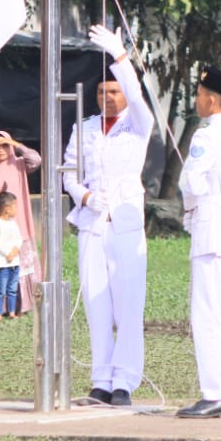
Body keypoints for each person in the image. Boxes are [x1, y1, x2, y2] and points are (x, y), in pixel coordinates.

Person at [63, 24, 152, 407]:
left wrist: (120, 58)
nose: (108, 98)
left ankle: (125, 381)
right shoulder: (84, 128)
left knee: (128, 305)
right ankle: (101, 377)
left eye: (113, 92)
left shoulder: (137, 124)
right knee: (97, 304)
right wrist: (83, 196)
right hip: (92, 223)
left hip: (126, 224)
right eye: (102, 93)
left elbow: (135, 93)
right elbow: (67, 172)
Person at [177, 66, 221, 419]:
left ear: (209, 98)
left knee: (207, 313)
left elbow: (190, 180)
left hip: (211, 226)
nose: (197, 101)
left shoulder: (206, 136)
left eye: (198, 95)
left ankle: (216, 392)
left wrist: (193, 209)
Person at [0, 130, 42, 313]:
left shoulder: (18, 164)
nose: (1, 150)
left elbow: (36, 160)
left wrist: (15, 143)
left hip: (18, 225)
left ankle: (20, 306)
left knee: (17, 264)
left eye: (5, 146)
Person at [0, 191, 22, 319]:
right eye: (15, 206)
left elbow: (19, 238)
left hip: (14, 263)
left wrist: (15, 250)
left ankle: (12, 312)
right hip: (2, 263)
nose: (16, 210)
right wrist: (6, 253)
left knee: (12, 290)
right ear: (7, 209)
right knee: (1, 290)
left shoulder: (13, 223)